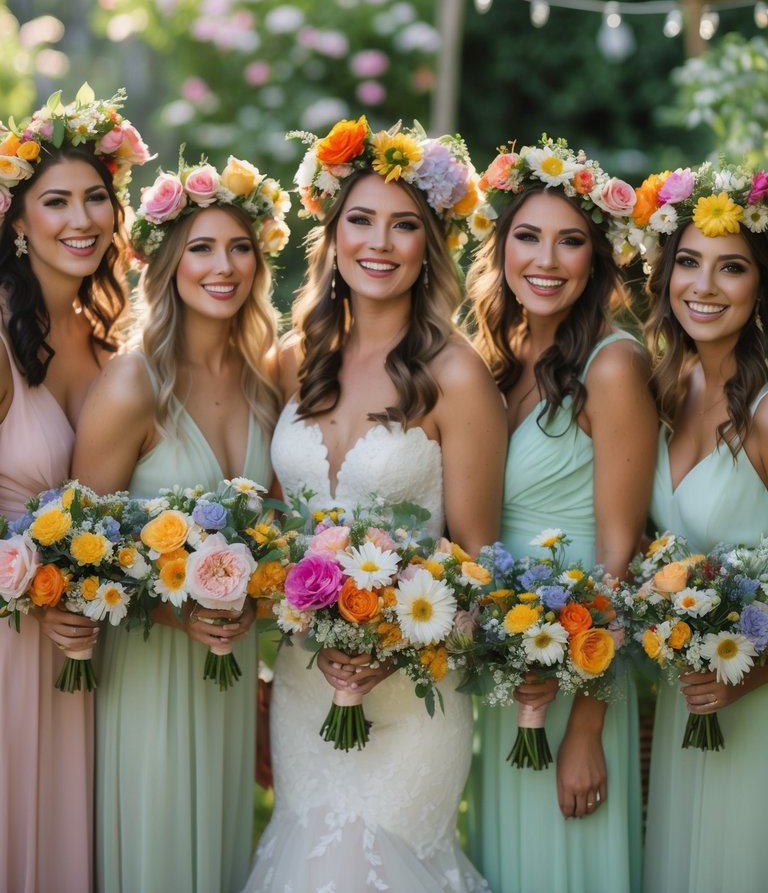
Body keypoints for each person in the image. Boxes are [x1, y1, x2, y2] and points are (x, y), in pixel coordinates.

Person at [242, 116, 507, 893]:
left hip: (412, 695)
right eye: (361, 219)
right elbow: (278, 537)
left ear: (431, 244)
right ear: (333, 229)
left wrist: (390, 639)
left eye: (404, 226)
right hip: (302, 685)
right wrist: (296, 630)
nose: (380, 243)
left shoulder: (456, 376)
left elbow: (478, 564)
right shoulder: (295, 358)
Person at [71, 153, 290, 893]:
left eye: (238, 246)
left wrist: (252, 605)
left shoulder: (266, 384)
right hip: (149, 671)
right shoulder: (133, 382)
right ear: (164, 261)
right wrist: (174, 614)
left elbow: (279, 541)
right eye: (200, 246)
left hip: (227, 676)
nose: (222, 265)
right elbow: (77, 555)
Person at [464, 137, 658, 893]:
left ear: (596, 259)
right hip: (507, 670)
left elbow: (623, 549)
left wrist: (587, 726)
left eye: (571, 240)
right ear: (502, 246)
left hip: (583, 673)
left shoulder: (612, 365)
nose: (546, 259)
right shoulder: (497, 358)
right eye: (528, 236)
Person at [0, 86, 150, 893]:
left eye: (96, 196)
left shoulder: (108, 351)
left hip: (80, 653)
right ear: (18, 221)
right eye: (54, 200)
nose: (80, 218)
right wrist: (26, 578)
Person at [639, 163, 768, 893]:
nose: (705, 285)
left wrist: (756, 672)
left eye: (732, 268)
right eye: (688, 261)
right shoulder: (666, 386)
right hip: (688, 696)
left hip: (751, 707)